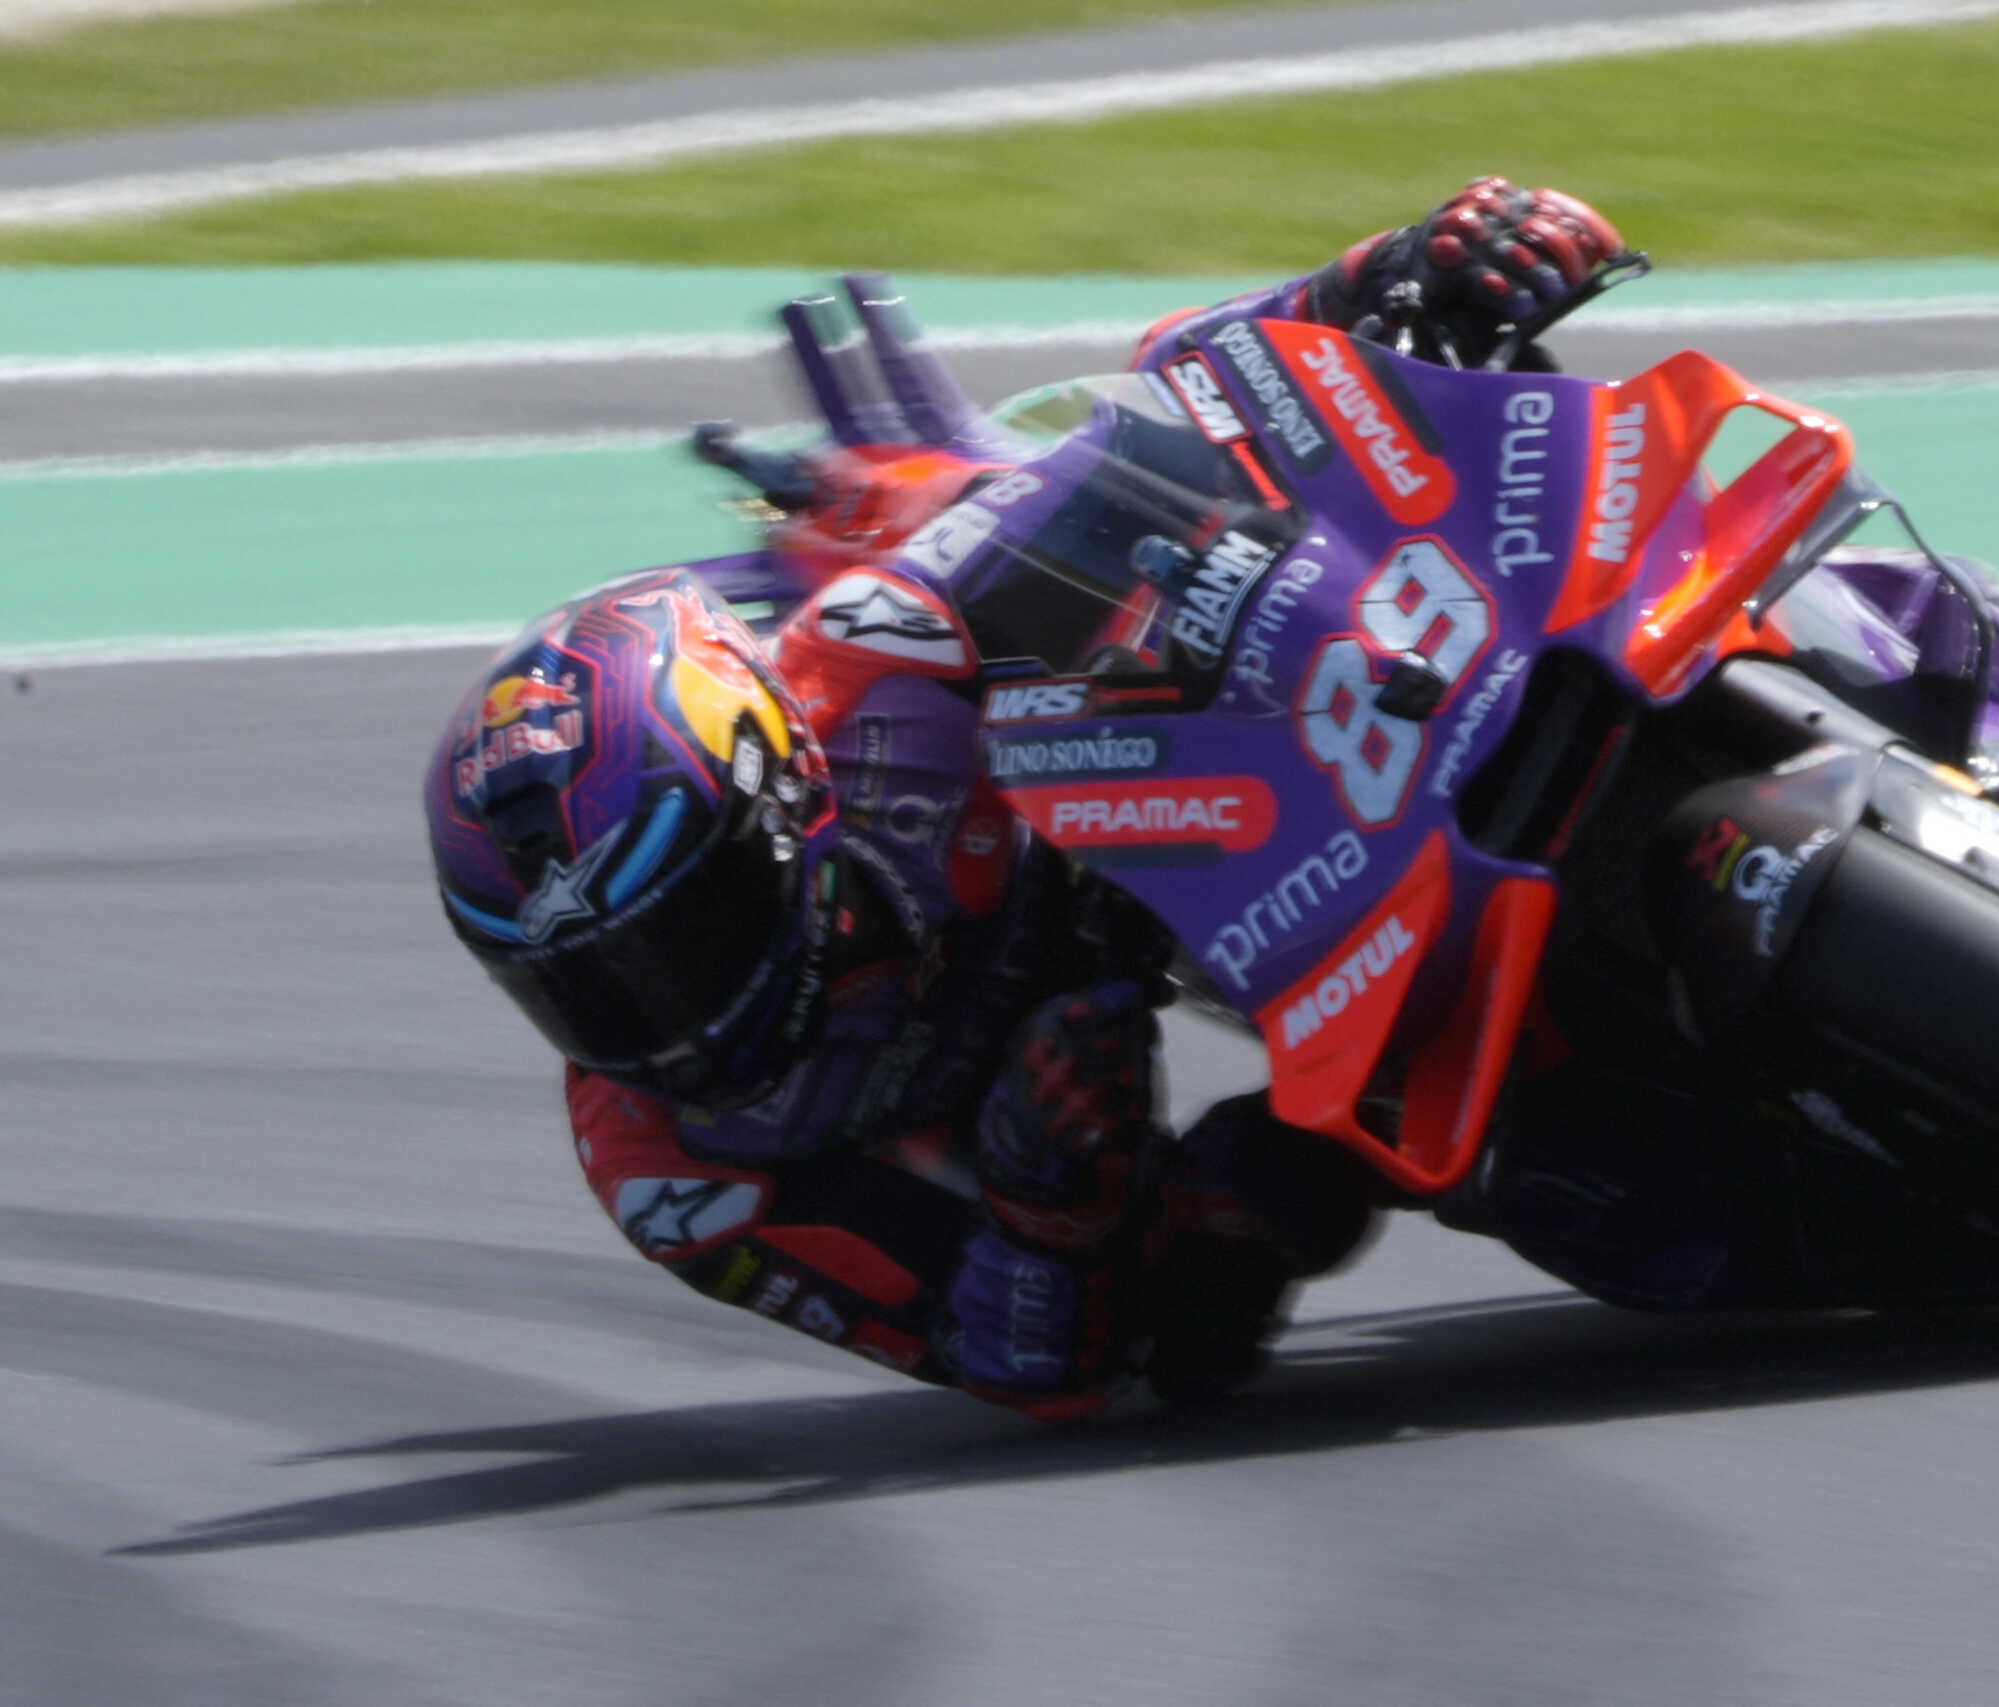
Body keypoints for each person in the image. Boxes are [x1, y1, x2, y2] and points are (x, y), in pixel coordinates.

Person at [427, 180, 1630, 1419]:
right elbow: (1001, 1362)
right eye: (577, 990)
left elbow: (1159, 418)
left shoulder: (867, 670)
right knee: (1251, 1230)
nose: (654, 1024)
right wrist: (1046, 1207)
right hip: (1102, 1056)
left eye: (678, 939)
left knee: (1436, 450)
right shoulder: (668, 1165)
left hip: (1222, 798)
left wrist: (1391, 274)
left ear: (777, 806)